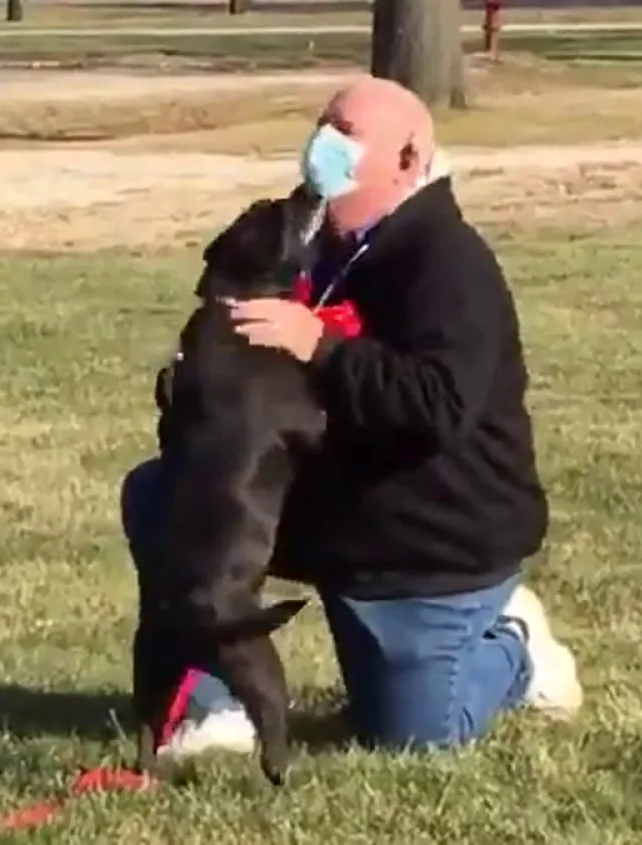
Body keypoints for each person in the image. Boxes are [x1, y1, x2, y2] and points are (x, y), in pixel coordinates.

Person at [123, 77, 583, 757]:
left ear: (407, 159)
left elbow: (436, 404)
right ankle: (213, 698)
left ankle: (515, 650)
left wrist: (318, 344)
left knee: (412, 735)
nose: (323, 145)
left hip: (428, 537)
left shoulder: (449, 264)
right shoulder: (317, 245)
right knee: (163, 494)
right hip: (332, 506)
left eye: (347, 134)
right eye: (322, 125)